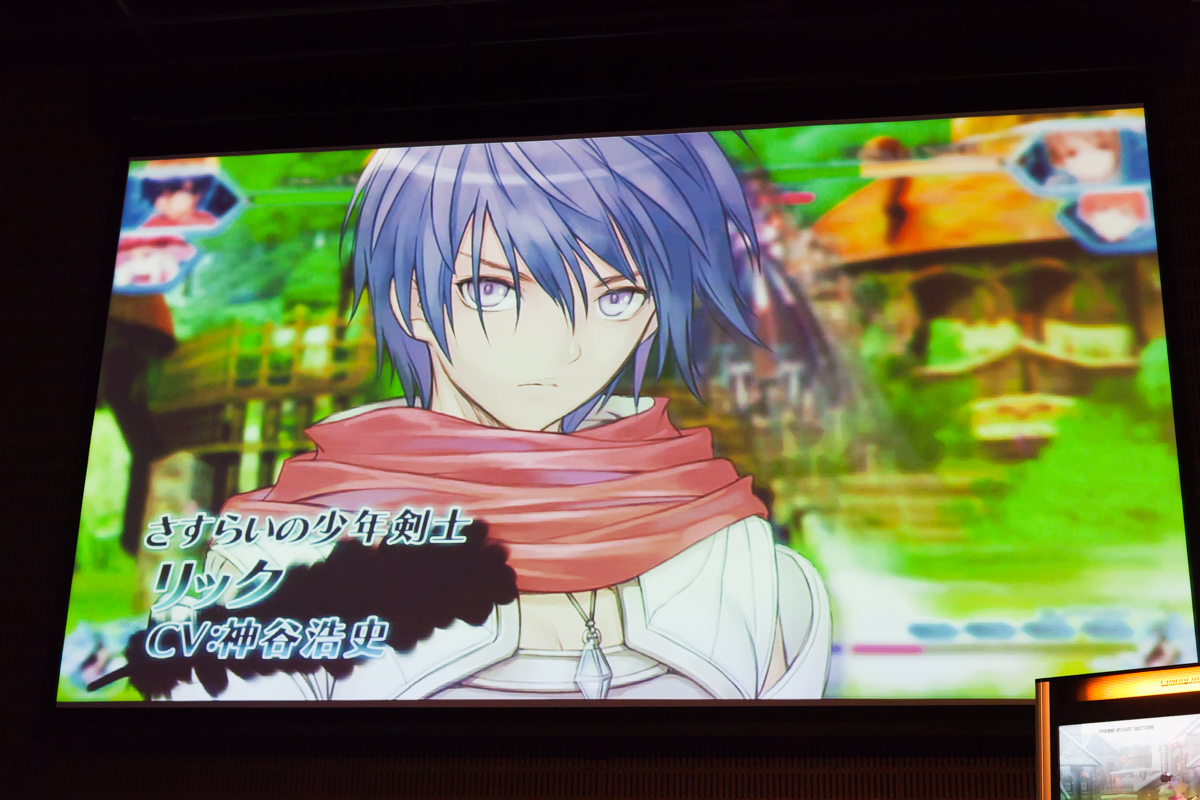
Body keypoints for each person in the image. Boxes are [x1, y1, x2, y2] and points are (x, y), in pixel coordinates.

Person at [165, 134, 832, 701]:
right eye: (493, 288)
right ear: (410, 301)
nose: (562, 348)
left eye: (618, 295)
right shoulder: (284, 558)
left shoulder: (734, 554)